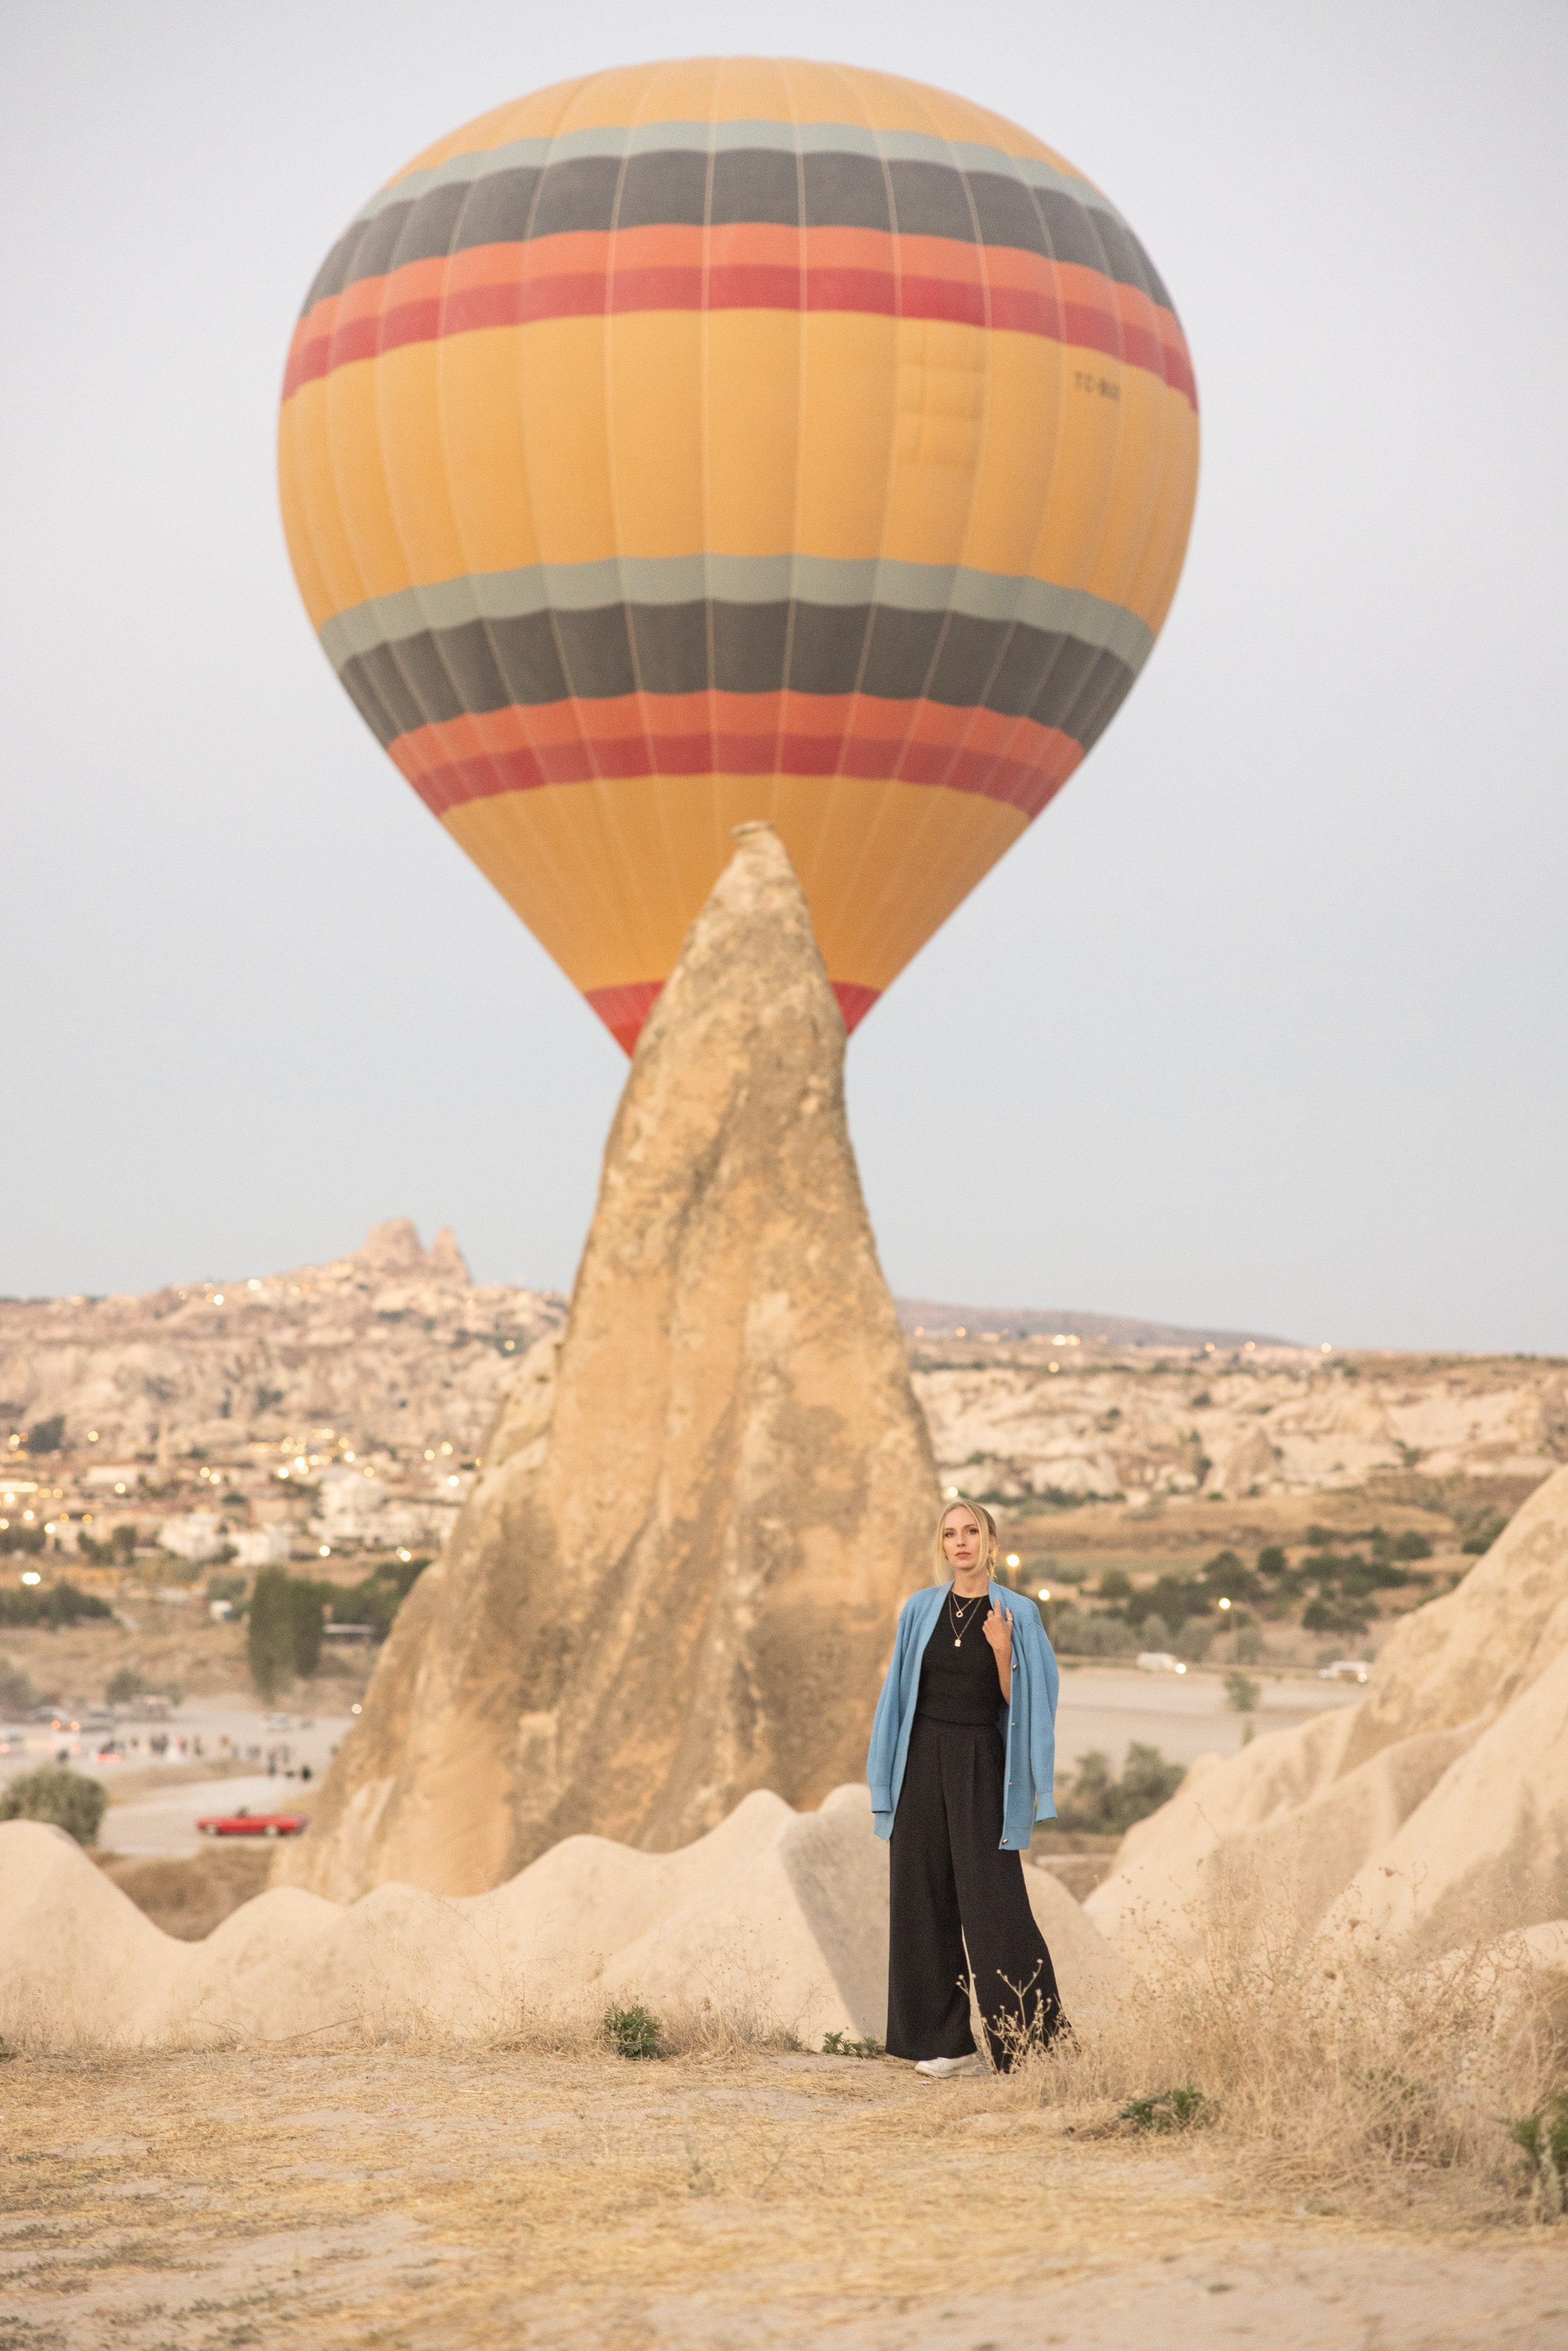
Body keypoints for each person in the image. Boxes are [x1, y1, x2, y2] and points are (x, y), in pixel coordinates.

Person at [867, 1495, 1066, 2077]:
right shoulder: (919, 1609)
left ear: (990, 1543)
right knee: (920, 1899)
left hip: (982, 1761)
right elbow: (897, 1700)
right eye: (951, 1533)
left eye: (971, 1531)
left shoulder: (1019, 1615)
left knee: (994, 1906)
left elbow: (1031, 1708)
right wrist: (888, 1783)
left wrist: (1003, 1653)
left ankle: (1032, 2050)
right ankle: (945, 2046)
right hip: (921, 1760)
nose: (960, 1541)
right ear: (942, 1545)